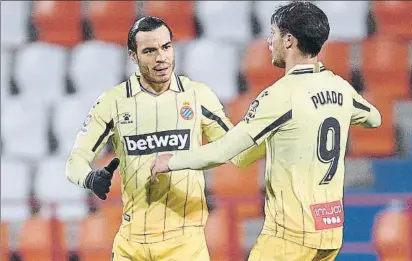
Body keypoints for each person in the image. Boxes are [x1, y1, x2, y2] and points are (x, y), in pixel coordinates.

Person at [151, 2, 382, 261]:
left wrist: (171, 161)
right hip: (329, 231)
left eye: (273, 33)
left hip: (290, 235)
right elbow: (374, 118)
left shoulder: (280, 96)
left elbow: (223, 152)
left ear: (289, 40)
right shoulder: (339, 86)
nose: (269, 41)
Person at [65, 16, 262, 261]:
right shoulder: (112, 102)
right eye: (149, 51)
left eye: (166, 47)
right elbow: (75, 160)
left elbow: (236, 151)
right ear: (133, 56)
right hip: (132, 245)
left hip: (185, 245)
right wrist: (89, 177)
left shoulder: (198, 95)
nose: (161, 58)